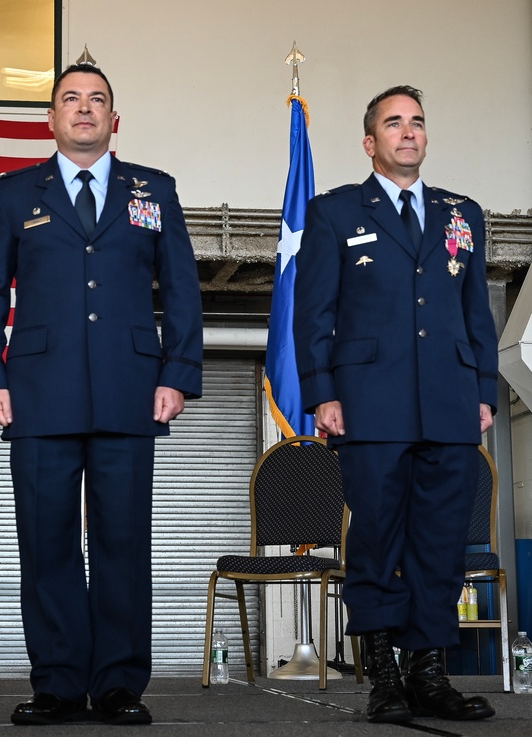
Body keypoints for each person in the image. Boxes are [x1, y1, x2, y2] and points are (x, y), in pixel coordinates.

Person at [0, 63, 204, 725]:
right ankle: (60, 682)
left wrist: (177, 373)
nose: (84, 109)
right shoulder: (15, 193)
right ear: (50, 118)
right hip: (37, 392)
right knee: (47, 541)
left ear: (114, 119)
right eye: (71, 99)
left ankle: (120, 683)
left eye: (97, 100)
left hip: (131, 390)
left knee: (123, 539)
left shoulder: (153, 190)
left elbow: (182, 288)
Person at [294, 85, 497, 723]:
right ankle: (383, 674)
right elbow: (313, 314)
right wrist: (322, 392)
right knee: (378, 540)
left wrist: (485, 392)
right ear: (370, 142)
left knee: (441, 544)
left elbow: (476, 316)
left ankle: (429, 673)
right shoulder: (333, 213)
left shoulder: (462, 212)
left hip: (449, 401)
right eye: (393, 123)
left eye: (417, 122)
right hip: (368, 403)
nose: (408, 132)